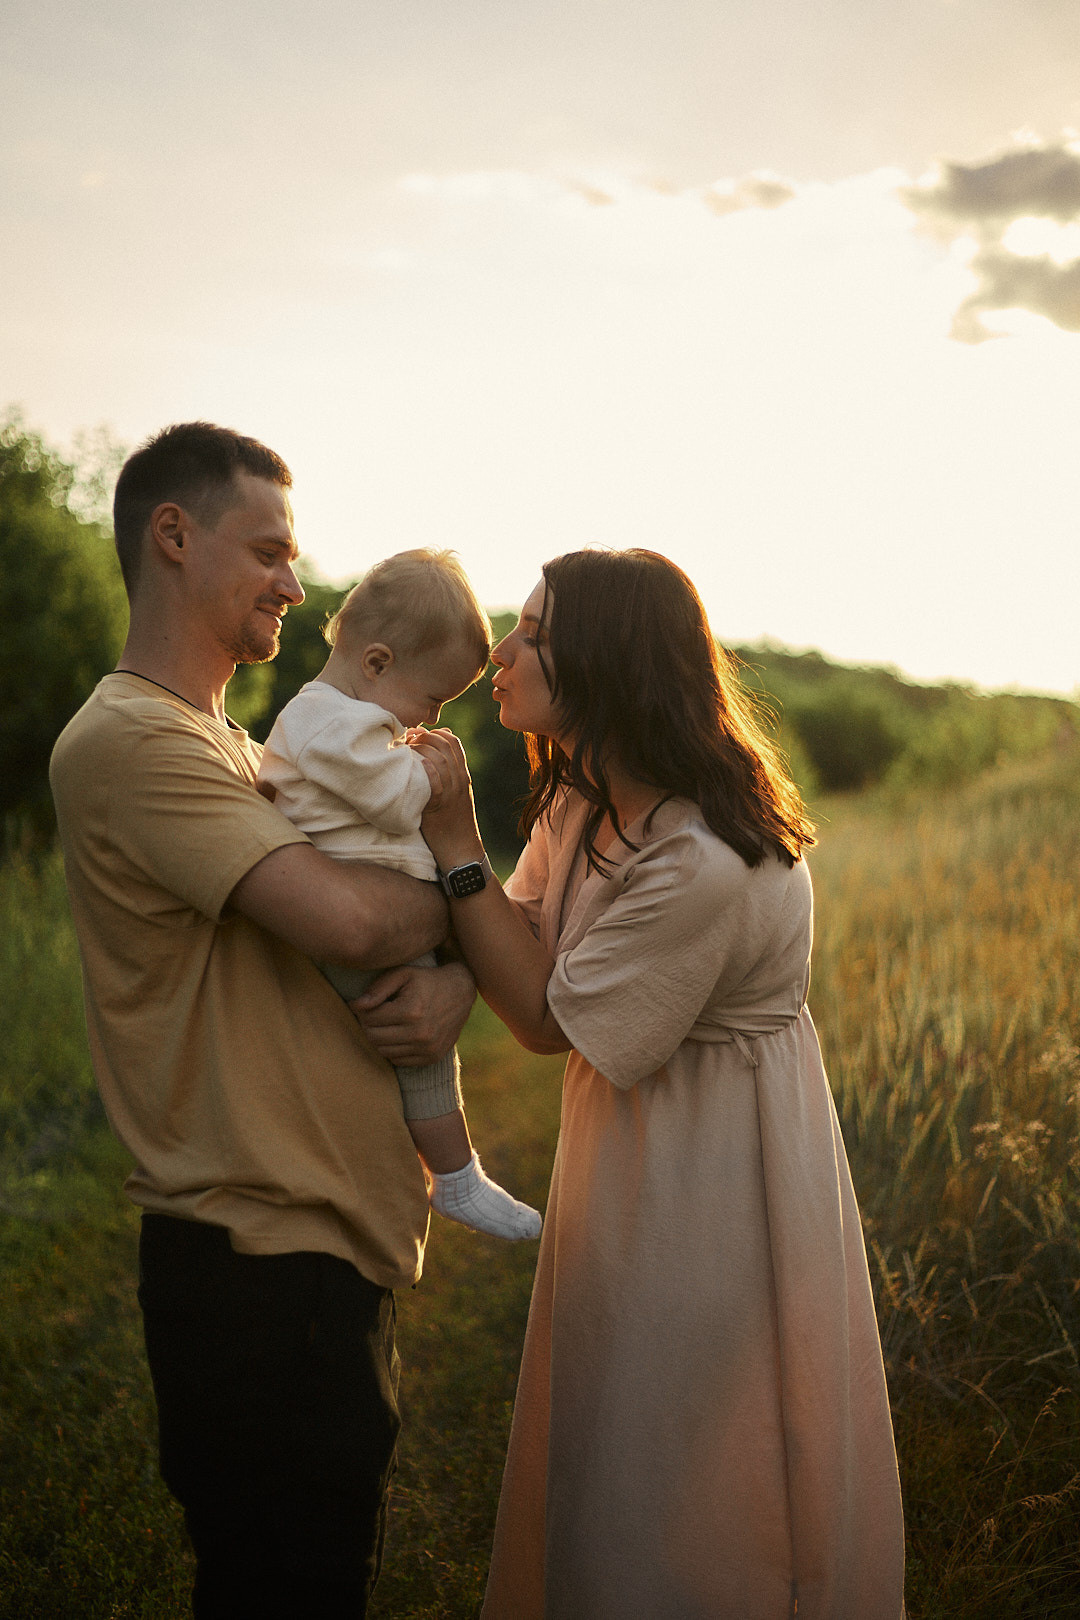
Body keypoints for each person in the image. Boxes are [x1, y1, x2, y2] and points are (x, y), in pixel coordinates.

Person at [412, 549, 907, 1620]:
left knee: (694, 1448)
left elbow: (544, 1017)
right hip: (638, 1139)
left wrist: (453, 836)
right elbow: (525, 936)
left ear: (607, 661)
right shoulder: (587, 801)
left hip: (718, 1168)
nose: (501, 651)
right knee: (614, 1420)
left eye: (534, 633)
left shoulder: (699, 854)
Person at [49, 422, 476, 1618]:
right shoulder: (132, 740)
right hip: (253, 1258)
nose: (298, 582)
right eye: (270, 549)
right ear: (172, 537)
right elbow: (344, 925)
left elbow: (368, 940)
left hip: (320, 1251)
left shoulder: (238, 749)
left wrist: (448, 977)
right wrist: (447, 888)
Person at [257, 547, 541, 1241]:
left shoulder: (344, 718)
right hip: (359, 911)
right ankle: (454, 1177)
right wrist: (441, 783)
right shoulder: (327, 722)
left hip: (379, 895)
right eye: (432, 700)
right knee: (422, 1057)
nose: (428, 720)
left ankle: (440, 1173)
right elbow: (390, 801)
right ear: (378, 663)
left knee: (421, 1049)